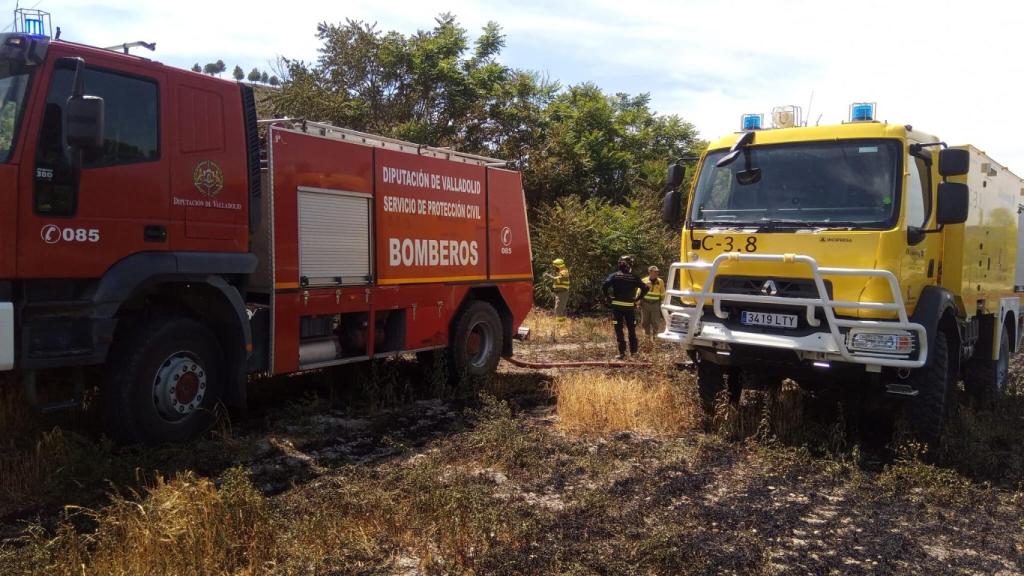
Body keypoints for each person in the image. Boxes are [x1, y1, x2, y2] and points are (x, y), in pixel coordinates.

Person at [602, 255, 648, 359]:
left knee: (619, 330)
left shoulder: (614, 276)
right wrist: (637, 299)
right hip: (629, 307)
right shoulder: (634, 277)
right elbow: (645, 288)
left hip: (617, 307)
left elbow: (604, 285)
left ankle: (622, 353)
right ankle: (634, 353)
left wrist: (608, 297)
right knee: (632, 330)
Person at [640, 265, 666, 341]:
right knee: (645, 322)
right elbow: (639, 292)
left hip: (655, 304)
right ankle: (646, 340)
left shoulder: (660, 281)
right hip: (645, 304)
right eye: (655, 271)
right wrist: (638, 302)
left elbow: (663, 293)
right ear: (650, 272)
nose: (656, 273)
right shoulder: (644, 280)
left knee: (655, 322)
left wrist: (663, 303)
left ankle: (655, 339)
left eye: (657, 271)